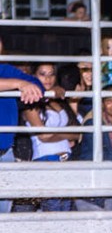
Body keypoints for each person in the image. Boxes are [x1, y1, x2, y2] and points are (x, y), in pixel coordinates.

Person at [22, 63, 81, 211]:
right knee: (53, 209)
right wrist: (66, 134)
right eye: (42, 74)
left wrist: (57, 134)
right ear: (34, 76)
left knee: (66, 210)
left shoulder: (58, 99)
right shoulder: (31, 103)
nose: (48, 78)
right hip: (46, 159)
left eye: (51, 74)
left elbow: (77, 133)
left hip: (66, 158)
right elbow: (44, 136)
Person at [0, 63, 45, 213]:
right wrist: (19, 84)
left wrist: (29, 87)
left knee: (4, 213)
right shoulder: (11, 76)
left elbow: (37, 85)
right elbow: (25, 82)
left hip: (5, 151)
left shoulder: (5, 69)